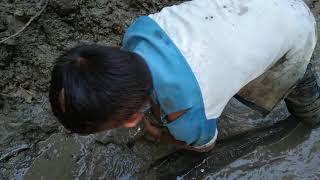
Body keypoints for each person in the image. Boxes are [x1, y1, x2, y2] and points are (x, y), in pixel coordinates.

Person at [49, 0, 318, 152]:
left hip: (296, 30)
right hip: (250, 8)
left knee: (299, 89)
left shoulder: (189, 119)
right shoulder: (138, 31)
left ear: (132, 120)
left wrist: (160, 135)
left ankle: (313, 118)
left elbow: (205, 146)